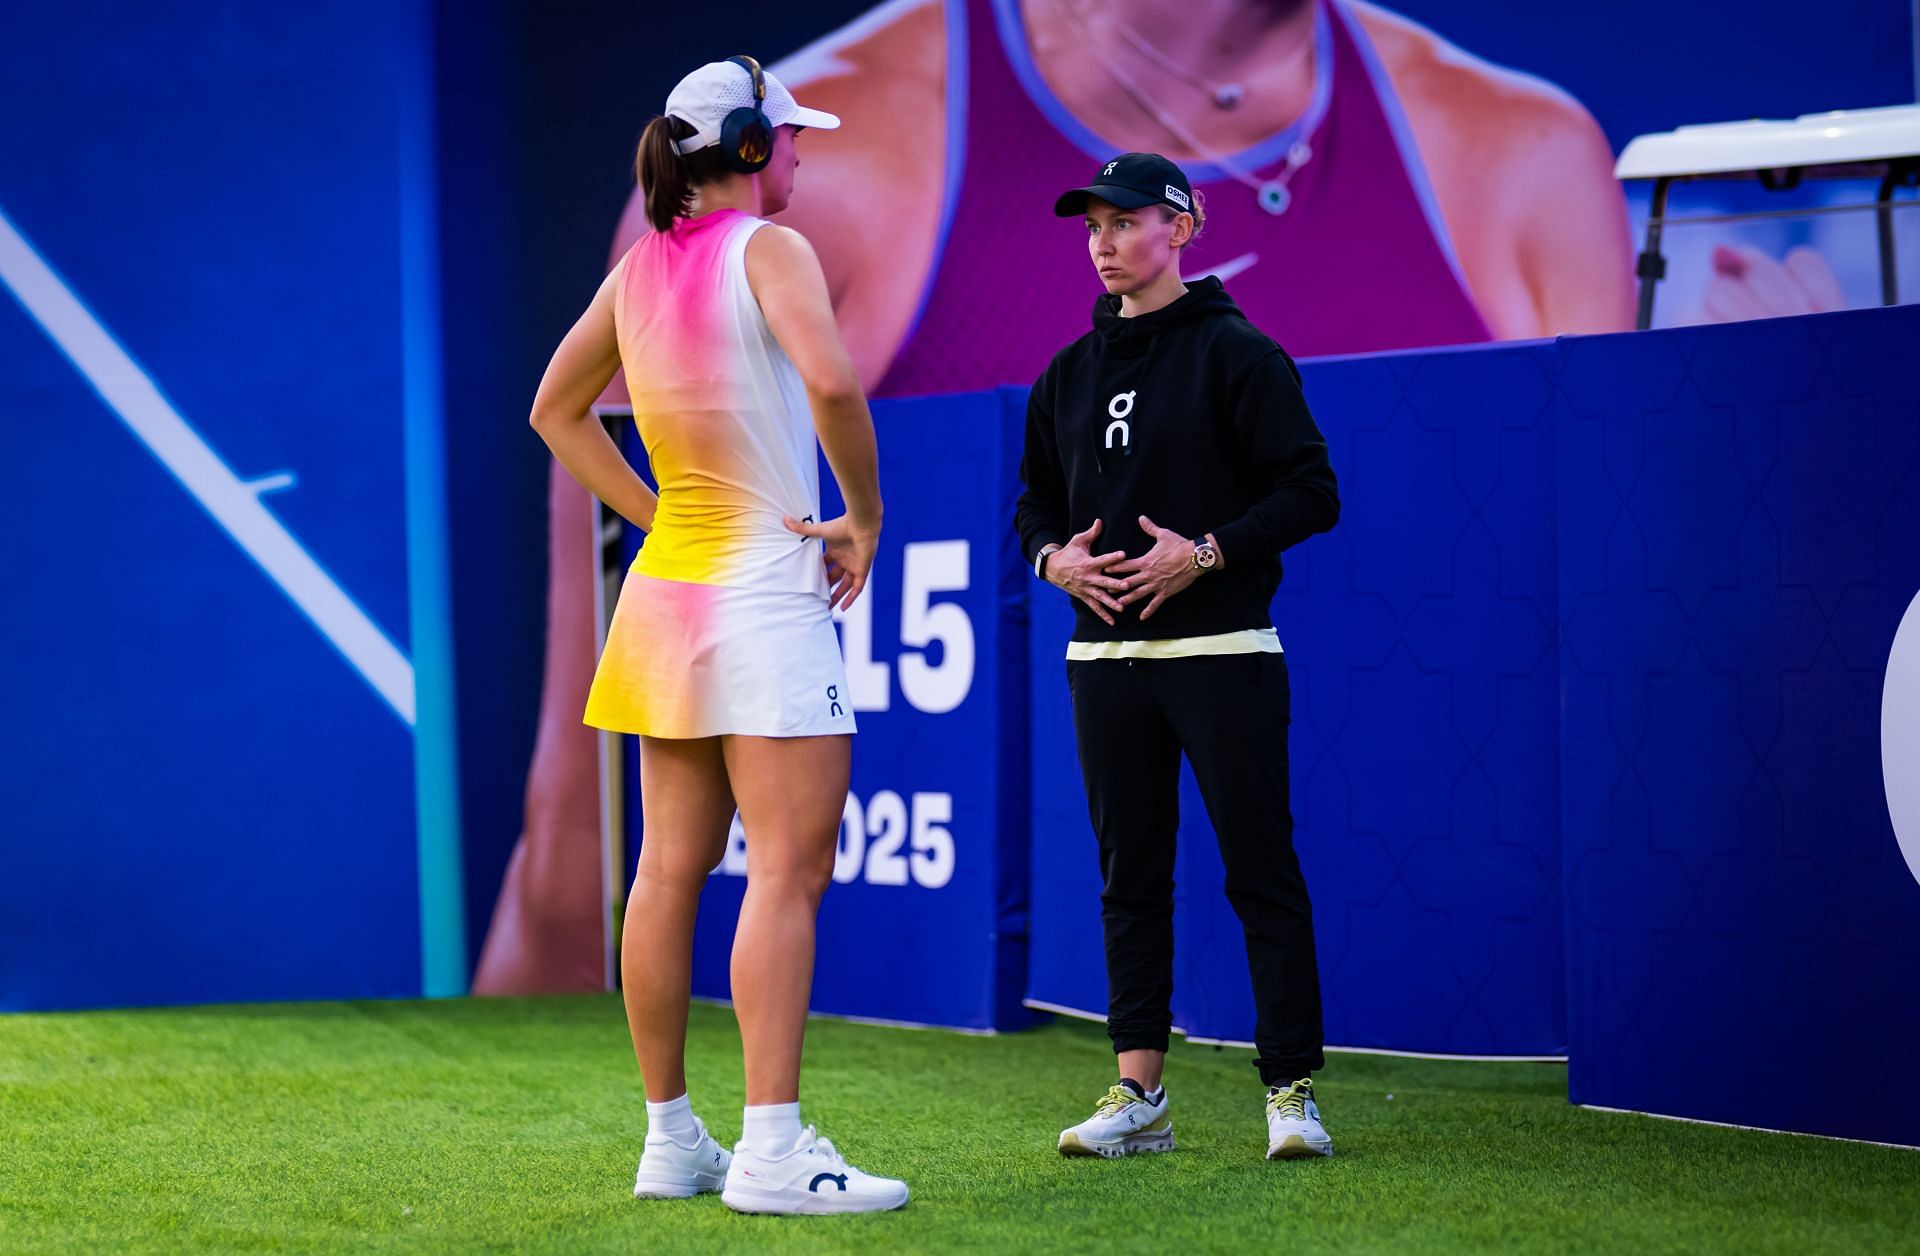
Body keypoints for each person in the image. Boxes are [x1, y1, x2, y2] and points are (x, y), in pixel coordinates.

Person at [525, 56, 908, 1215]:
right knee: (789, 870)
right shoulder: (771, 250)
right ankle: (776, 1150)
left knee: (663, 872)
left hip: (667, 596)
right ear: (748, 147)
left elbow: (554, 409)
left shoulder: (639, 269)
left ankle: (670, 1140)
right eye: (790, 139)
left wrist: (657, 513)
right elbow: (836, 391)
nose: (801, 155)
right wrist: (866, 518)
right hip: (761, 590)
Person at [1014, 152, 1341, 1160]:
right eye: (1093, 227)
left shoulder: (1239, 353)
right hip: (1104, 664)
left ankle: (1290, 1088)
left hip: (1224, 646)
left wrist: (1202, 552)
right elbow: (1032, 504)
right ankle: (1138, 1094)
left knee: (1261, 868)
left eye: (1127, 222)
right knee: (1130, 877)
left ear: (1183, 227)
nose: (1106, 242)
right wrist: (1053, 559)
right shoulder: (1065, 372)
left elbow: (1312, 491)